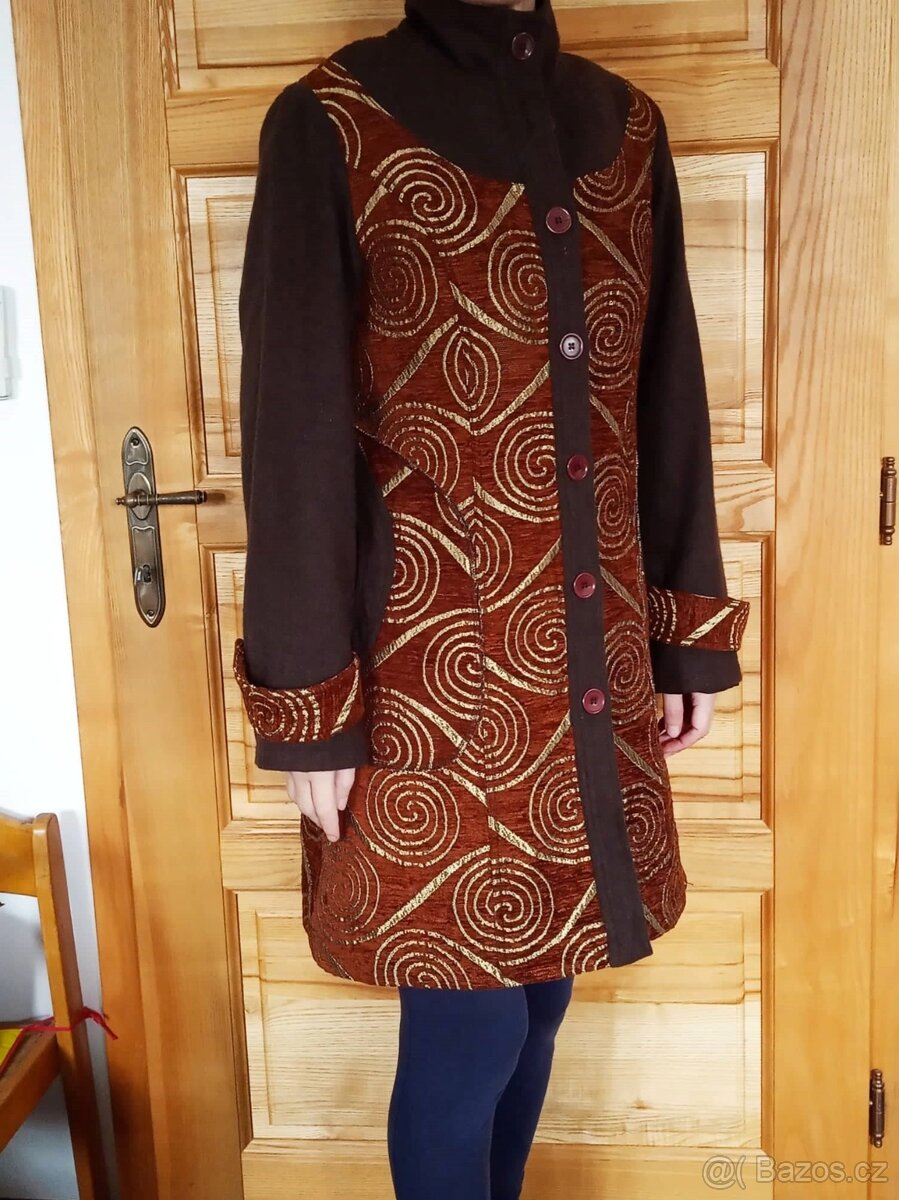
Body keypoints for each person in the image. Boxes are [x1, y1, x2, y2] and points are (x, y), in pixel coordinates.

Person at [232, 0, 750, 1195]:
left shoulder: (623, 126)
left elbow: (664, 390)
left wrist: (683, 637)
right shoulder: (333, 119)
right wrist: (309, 704)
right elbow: (291, 425)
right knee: (468, 1020)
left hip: (590, 654)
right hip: (424, 671)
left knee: (544, 995)